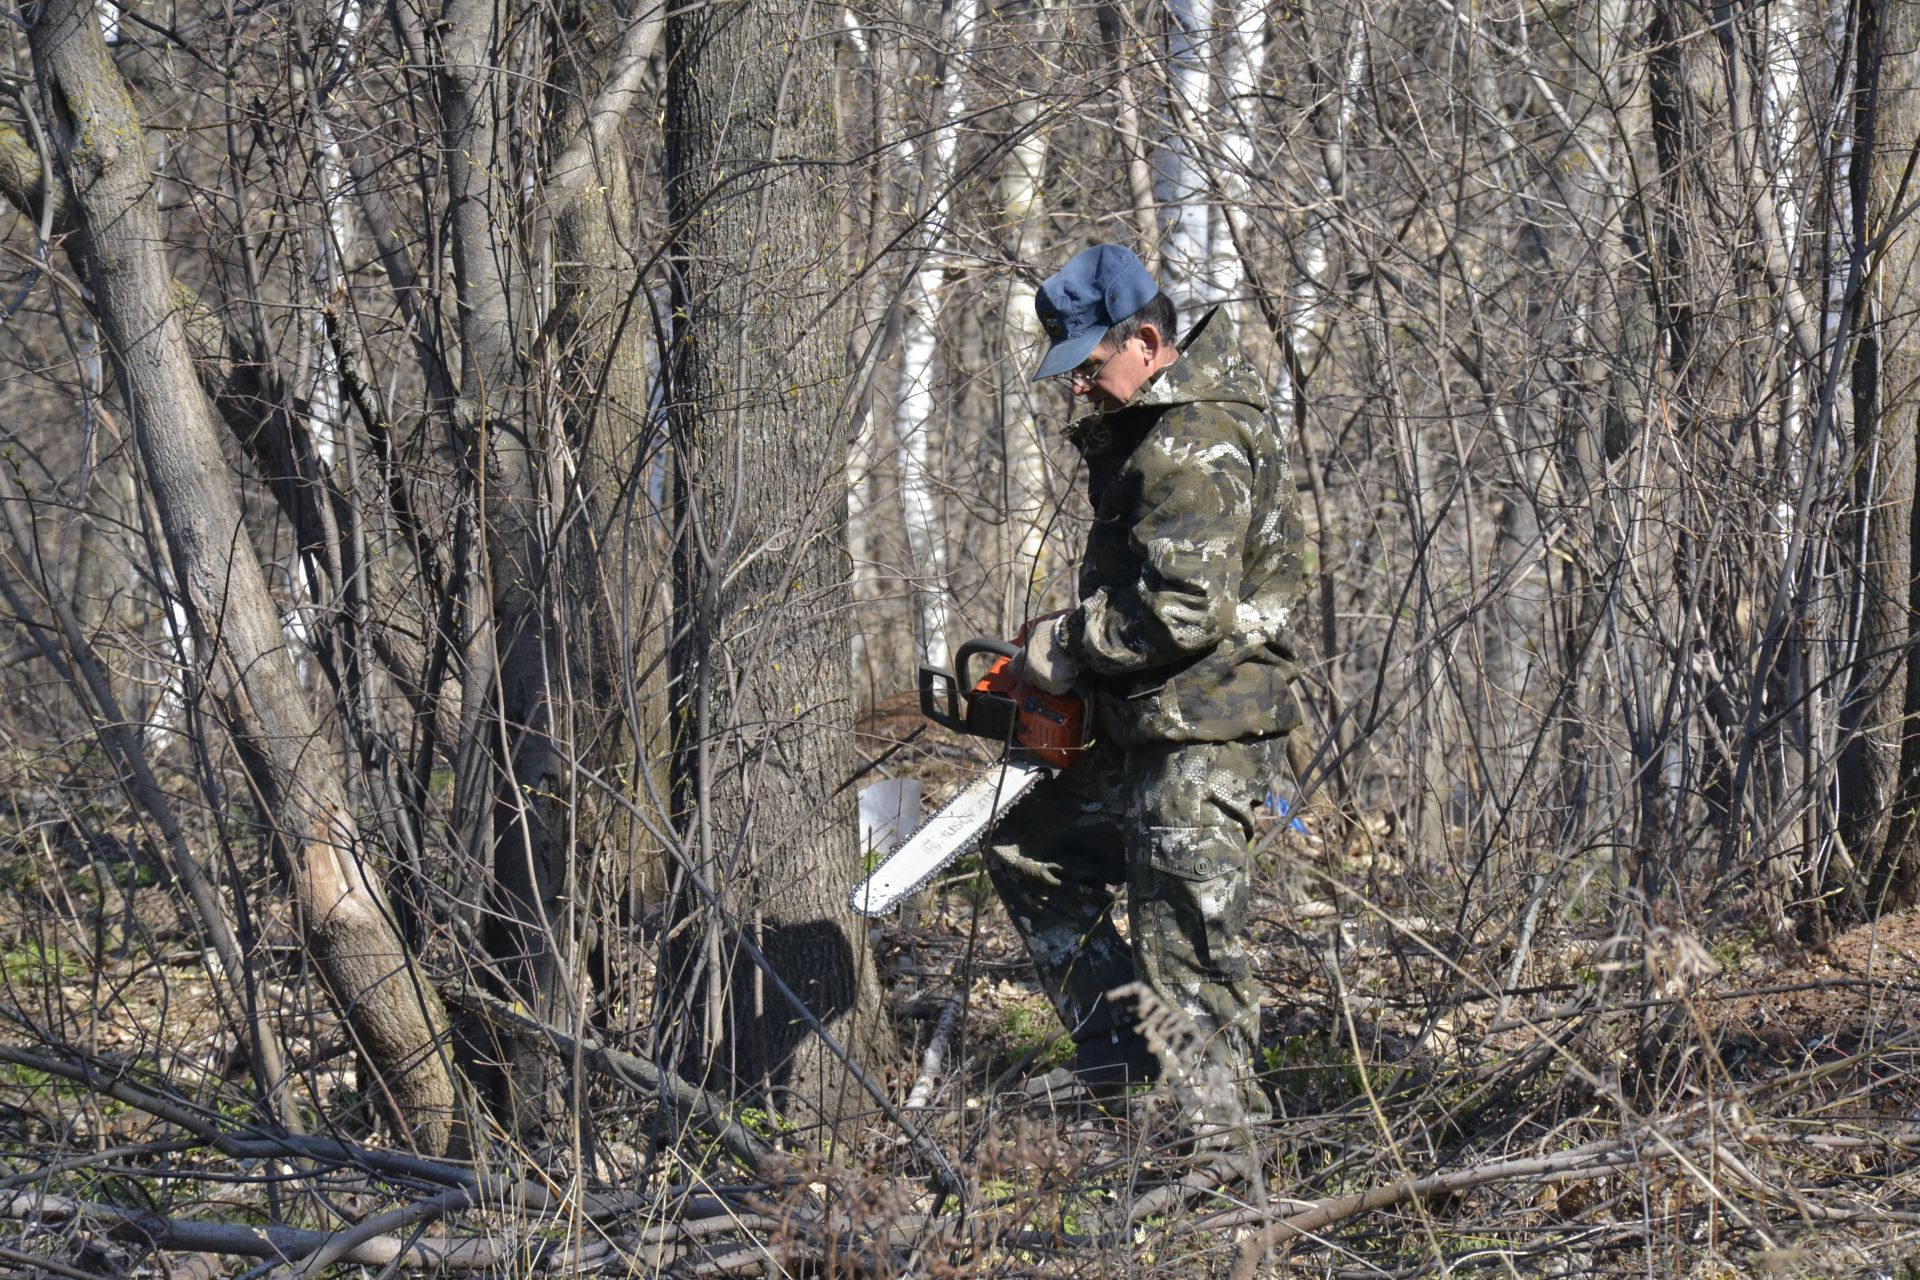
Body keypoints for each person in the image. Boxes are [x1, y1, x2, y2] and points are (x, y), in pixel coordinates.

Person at [990, 242, 1307, 1140]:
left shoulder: (1194, 440)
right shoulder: (1154, 427)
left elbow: (1184, 610)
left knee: (1186, 935)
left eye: (1090, 367)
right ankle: (1126, 1058)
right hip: (1152, 716)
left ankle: (1225, 1151)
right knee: (1030, 846)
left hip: (1210, 722)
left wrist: (1072, 644)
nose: (1080, 388)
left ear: (1148, 340)